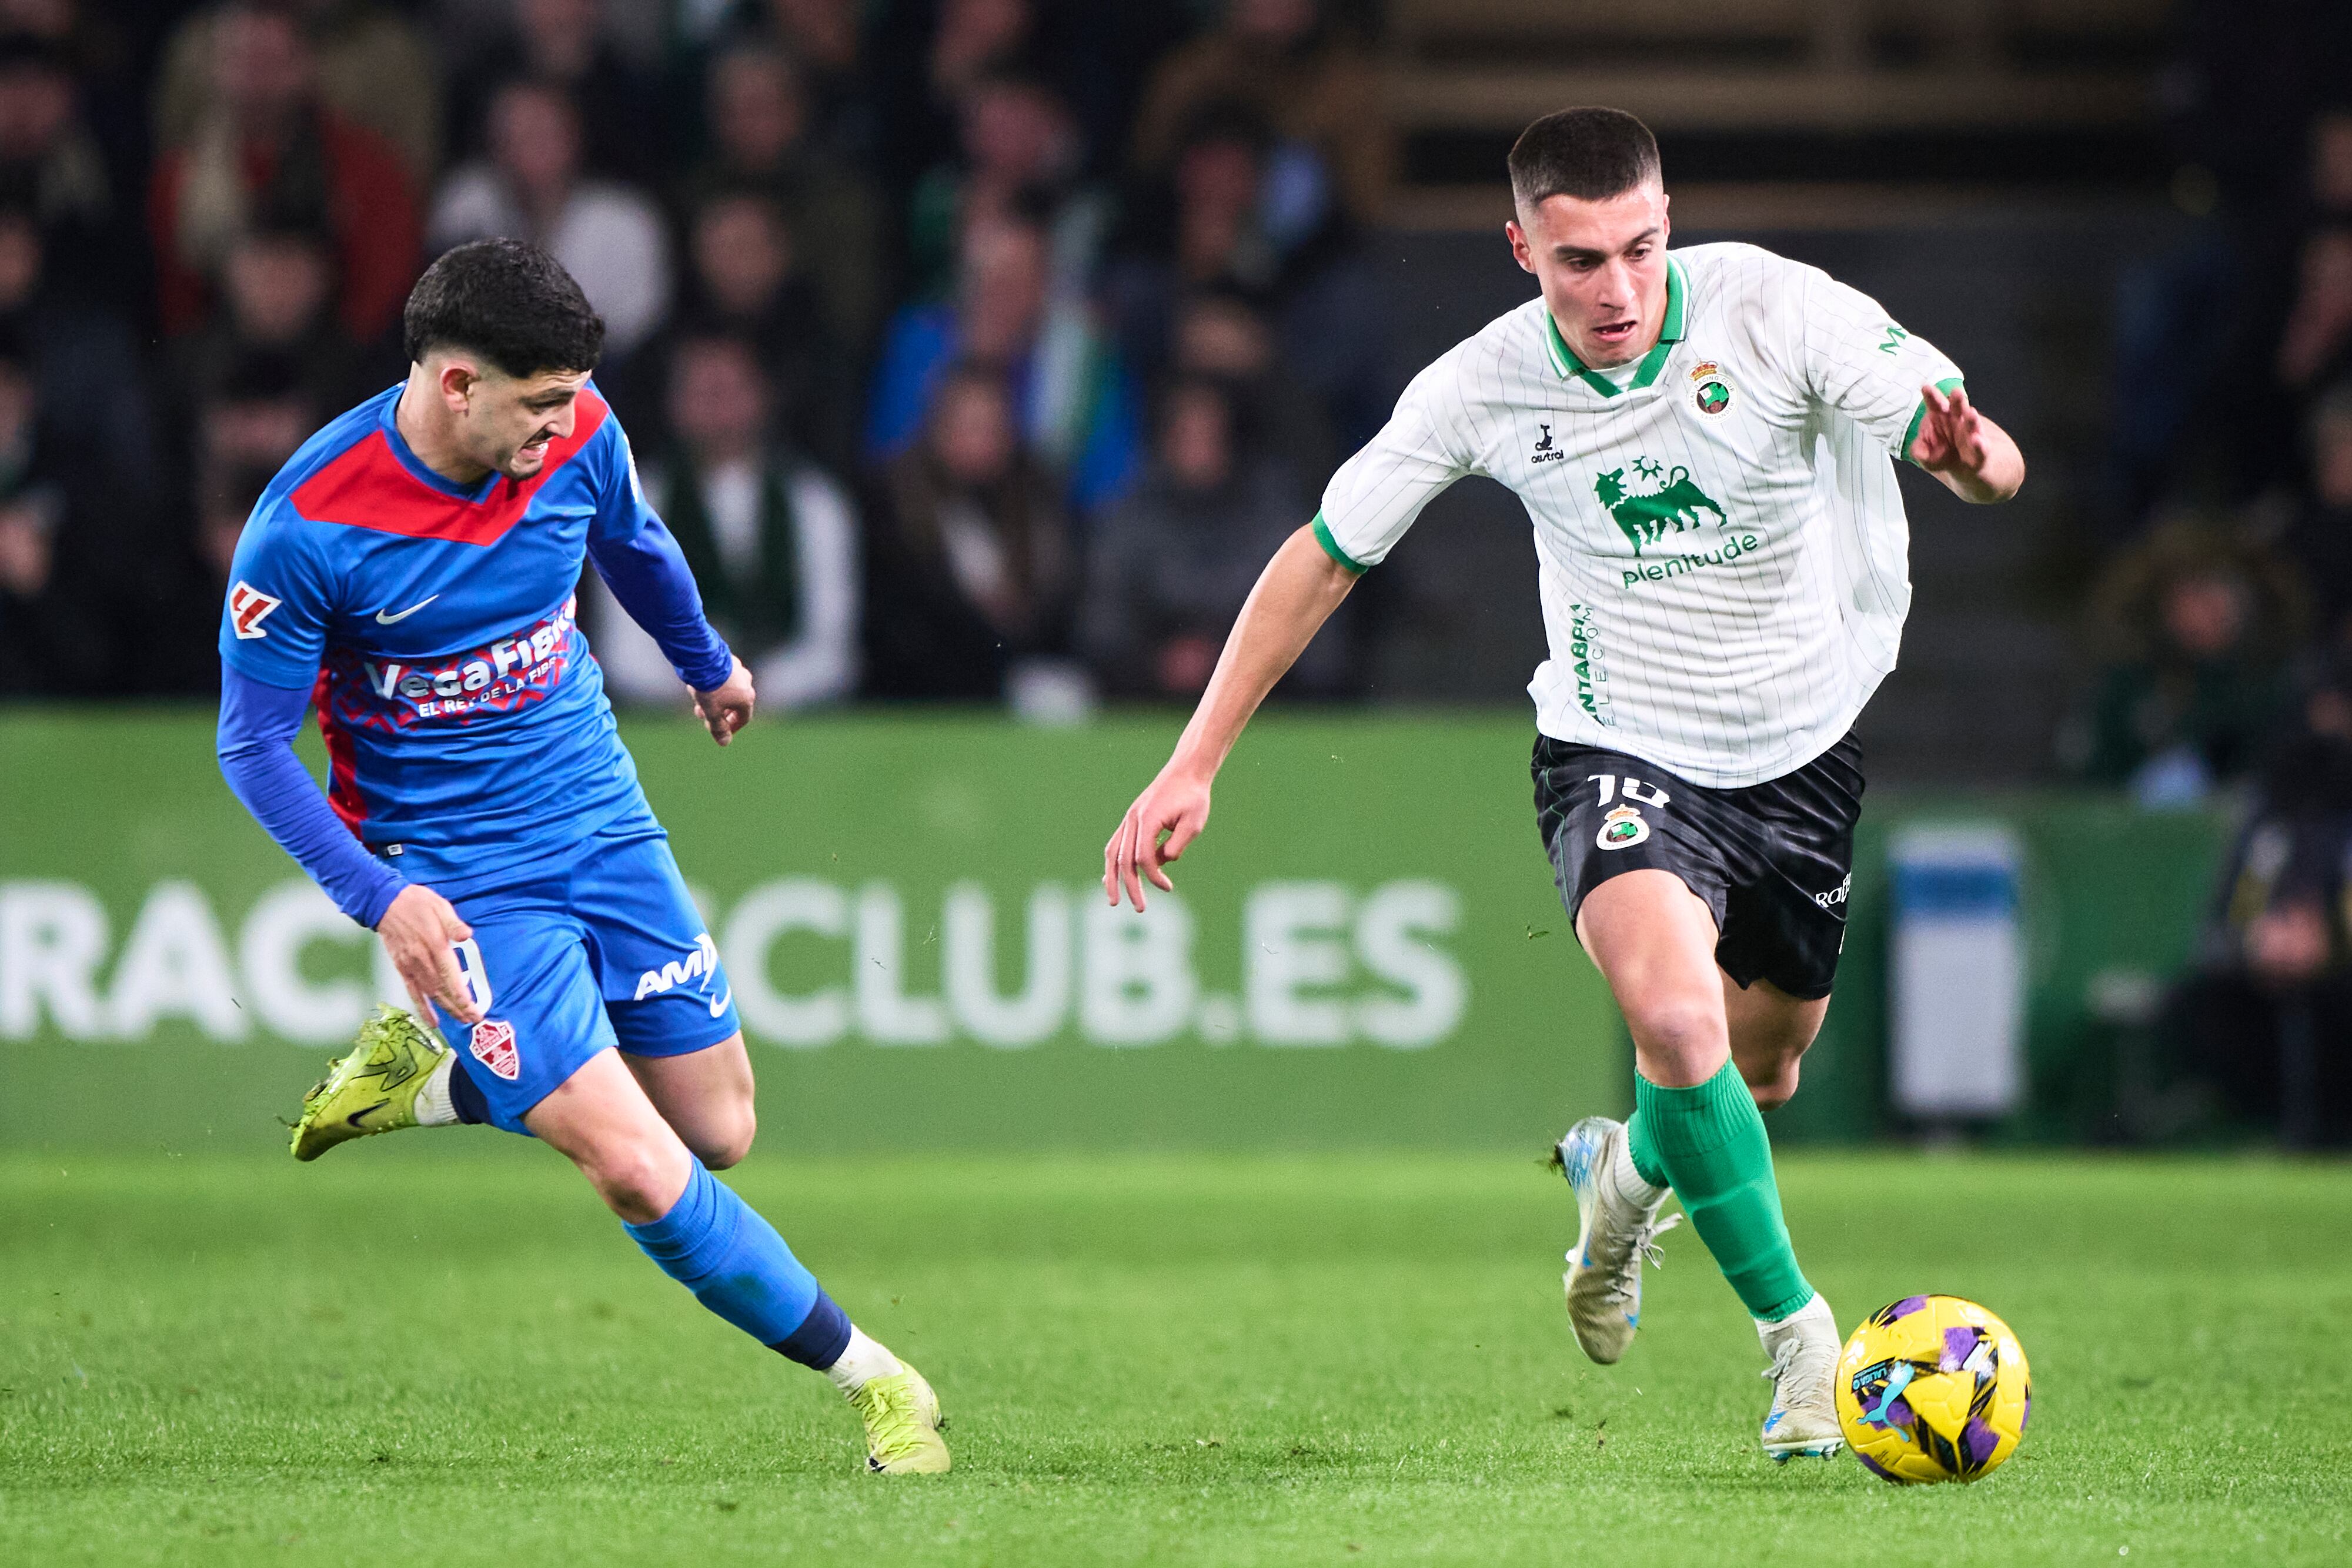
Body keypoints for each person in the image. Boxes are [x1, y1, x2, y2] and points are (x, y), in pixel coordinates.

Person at [1100, 108, 2026, 1462]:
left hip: (1803, 747)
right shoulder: (1477, 387)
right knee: (1671, 1017)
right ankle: (1797, 1342)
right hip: (1618, 745)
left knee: (1755, 1076)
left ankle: (1624, 1176)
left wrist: (1968, 465)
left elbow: (1983, 452)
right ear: (1519, 246)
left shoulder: (1780, 311)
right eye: (1579, 259)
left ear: (1669, 223)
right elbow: (1322, 554)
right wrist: (1195, 756)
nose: (1617, 290)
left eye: (1640, 250)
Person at [212, 240, 949, 1475]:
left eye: (572, 401)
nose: (566, 427)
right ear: (456, 385)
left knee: (717, 1127)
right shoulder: (309, 528)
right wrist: (385, 898)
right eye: (539, 405)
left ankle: (435, 1080)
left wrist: (702, 657)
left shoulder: (577, 421)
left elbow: (632, 537)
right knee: (632, 1162)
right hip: (460, 873)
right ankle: (880, 1383)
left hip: (600, 814)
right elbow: (251, 747)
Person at [590, 332, 860, 711]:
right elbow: (623, 645)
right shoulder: (634, 499)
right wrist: (697, 689)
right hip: (670, 728)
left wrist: (759, 689)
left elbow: (831, 646)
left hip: (792, 730)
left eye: (732, 389)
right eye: (702, 391)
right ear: (673, 403)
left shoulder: (815, 503)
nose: (718, 406)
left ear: (766, 396)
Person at [862, 363, 1071, 701]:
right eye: (969, 427)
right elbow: (901, 624)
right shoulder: (893, 503)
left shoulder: (1035, 496)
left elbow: (1056, 608)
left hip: (1020, 677)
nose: (982, 442)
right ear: (938, 427)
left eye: (993, 428)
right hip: (922, 689)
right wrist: (985, 622)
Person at [429, 79, 672, 359]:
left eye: (541, 134)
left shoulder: (625, 221)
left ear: (574, 139)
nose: (526, 149)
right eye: (511, 136)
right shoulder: (464, 204)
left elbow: (637, 338)